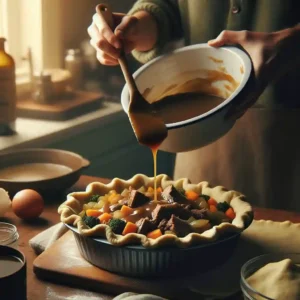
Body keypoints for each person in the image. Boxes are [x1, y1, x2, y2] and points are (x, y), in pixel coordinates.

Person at [88, 0, 300, 211]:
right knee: (191, 221)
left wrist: (291, 42)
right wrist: (139, 26)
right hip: (196, 135)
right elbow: (170, 5)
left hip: (288, 145)